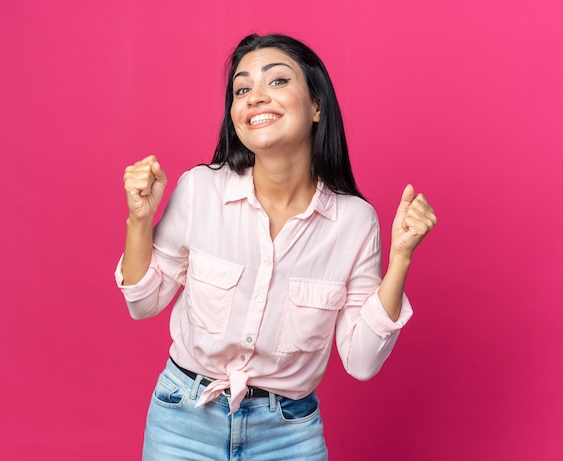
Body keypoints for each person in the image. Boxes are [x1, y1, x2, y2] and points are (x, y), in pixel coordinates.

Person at [115, 33, 437, 461]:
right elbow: (143, 302)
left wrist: (401, 258)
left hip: (288, 433)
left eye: (278, 81)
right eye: (242, 89)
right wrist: (140, 221)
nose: (255, 97)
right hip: (183, 420)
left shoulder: (355, 222)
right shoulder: (200, 190)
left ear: (317, 106)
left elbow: (362, 361)